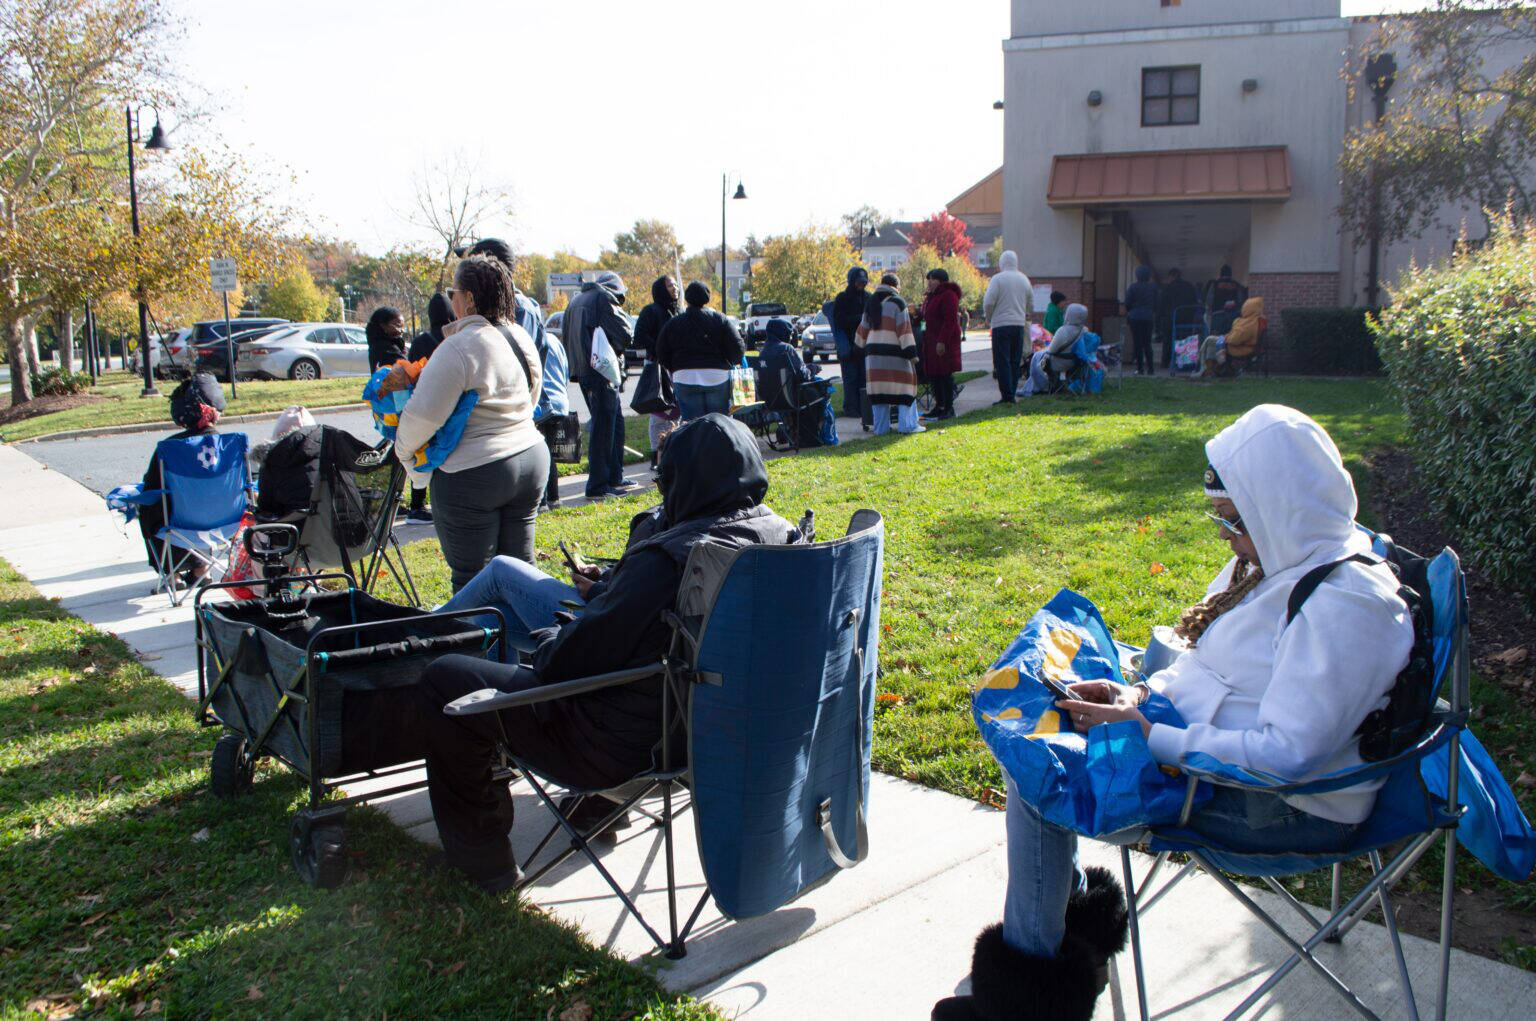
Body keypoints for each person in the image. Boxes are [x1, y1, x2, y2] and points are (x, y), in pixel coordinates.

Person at [932, 404, 1414, 1021]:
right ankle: (1059, 941)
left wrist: (1148, 734)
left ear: (1277, 507)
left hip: (1274, 806)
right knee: (1035, 722)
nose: (1224, 535)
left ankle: (1030, 996)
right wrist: (1134, 697)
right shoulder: (1285, 552)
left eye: (1232, 521)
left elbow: (1287, 757)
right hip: (1194, 749)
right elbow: (1212, 665)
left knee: (1038, 774)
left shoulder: (1348, 605)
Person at [416, 413, 800, 891]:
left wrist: (552, 638)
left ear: (683, 480)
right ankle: (593, 805)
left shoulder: (671, 560)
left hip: (620, 747)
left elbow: (567, 662)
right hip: (718, 735)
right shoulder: (786, 540)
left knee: (444, 678)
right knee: (516, 622)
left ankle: (484, 867)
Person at [396, 255, 548, 592]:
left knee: (474, 582)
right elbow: (532, 394)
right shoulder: (519, 336)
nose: (450, 299)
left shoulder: (459, 347)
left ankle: (481, 645)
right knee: (522, 573)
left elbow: (423, 416)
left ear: (469, 299)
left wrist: (404, 453)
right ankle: (535, 643)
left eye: (454, 291)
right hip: (531, 458)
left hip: (475, 474)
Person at [461, 238, 571, 511]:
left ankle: (541, 501)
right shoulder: (500, 307)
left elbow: (516, 362)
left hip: (519, 401)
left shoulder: (518, 307)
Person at [138, 373, 225, 574]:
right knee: (199, 504)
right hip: (226, 520)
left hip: (181, 522)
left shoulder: (170, 448)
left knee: (155, 509)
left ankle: (172, 574)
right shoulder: (231, 444)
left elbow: (152, 487)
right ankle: (202, 569)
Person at [563, 271, 635, 500]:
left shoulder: (576, 300)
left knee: (613, 425)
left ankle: (613, 476)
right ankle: (598, 485)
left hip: (585, 371)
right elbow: (625, 333)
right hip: (601, 371)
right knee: (604, 430)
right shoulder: (603, 299)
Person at [396, 292, 455, 523]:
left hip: (422, 406)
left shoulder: (421, 341)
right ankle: (445, 504)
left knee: (422, 456)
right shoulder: (453, 338)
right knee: (447, 455)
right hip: (448, 405)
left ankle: (417, 506)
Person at [654, 281, 745, 422]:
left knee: (692, 426)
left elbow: (661, 351)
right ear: (707, 298)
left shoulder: (674, 323)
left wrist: (675, 367)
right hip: (717, 376)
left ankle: (695, 443)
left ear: (687, 299)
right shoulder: (720, 320)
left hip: (684, 377)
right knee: (720, 424)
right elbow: (738, 348)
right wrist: (730, 361)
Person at [857, 273, 923, 435]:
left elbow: (861, 332)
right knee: (906, 387)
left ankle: (881, 429)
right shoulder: (898, 303)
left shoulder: (871, 301)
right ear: (896, 287)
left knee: (879, 391)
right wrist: (912, 355)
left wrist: (858, 349)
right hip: (895, 352)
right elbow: (904, 331)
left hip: (873, 355)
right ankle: (907, 425)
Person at [757, 318, 833, 447]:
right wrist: (813, 368)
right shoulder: (787, 349)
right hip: (791, 398)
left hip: (770, 401)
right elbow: (803, 375)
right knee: (820, 391)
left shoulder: (762, 353)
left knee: (806, 393)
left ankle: (790, 431)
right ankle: (811, 435)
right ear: (783, 333)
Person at [633, 275, 683, 465]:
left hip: (676, 367)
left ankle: (674, 451)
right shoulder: (651, 311)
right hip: (658, 369)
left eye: (675, 285)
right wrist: (660, 347)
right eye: (670, 285)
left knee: (677, 411)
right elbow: (639, 336)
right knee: (660, 412)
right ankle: (657, 455)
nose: (675, 288)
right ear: (661, 289)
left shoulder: (678, 311)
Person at [982, 250, 1032, 404]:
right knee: (1015, 360)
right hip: (1018, 324)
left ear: (1002, 263)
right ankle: (1012, 392)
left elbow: (989, 302)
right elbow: (1030, 301)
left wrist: (989, 318)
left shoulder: (997, 279)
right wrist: (1025, 314)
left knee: (1002, 361)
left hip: (1001, 324)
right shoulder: (1024, 279)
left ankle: (1007, 396)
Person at [917, 267, 963, 421]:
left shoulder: (948, 295)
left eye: (933, 278)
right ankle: (939, 406)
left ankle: (948, 408)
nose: (929, 281)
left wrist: (942, 341)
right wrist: (920, 323)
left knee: (945, 375)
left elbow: (950, 321)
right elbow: (925, 319)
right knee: (934, 376)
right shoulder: (930, 297)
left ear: (941, 281)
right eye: (928, 278)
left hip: (944, 343)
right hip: (930, 342)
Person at [830, 267, 870, 418]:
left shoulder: (868, 297)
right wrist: (860, 319)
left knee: (863, 379)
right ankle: (851, 408)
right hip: (848, 345)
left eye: (864, 282)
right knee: (850, 378)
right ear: (852, 281)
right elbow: (839, 320)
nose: (861, 285)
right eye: (859, 282)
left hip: (864, 345)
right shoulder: (842, 298)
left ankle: (863, 408)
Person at [1198, 296, 1265, 379]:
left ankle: (1207, 369)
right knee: (1211, 340)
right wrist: (1225, 337)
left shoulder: (1249, 323)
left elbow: (1235, 339)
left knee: (1211, 341)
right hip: (1239, 344)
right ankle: (1210, 369)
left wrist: (1225, 338)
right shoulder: (1253, 320)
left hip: (1240, 348)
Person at [1156, 267, 1200, 370]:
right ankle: (1185, 363)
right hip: (1187, 319)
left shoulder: (1168, 288)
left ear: (1172, 276)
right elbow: (1195, 302)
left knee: (1168, 339)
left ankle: (1165, 362)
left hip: (1172, 319)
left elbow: (1162, 305)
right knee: (1185, 338)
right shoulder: (1190, 286)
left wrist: (1160, 318)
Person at [1122, 265, 1159, 376]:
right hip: (1148, 317)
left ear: (1137, 275)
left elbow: (1127, 303)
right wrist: (1152, 311)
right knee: (1147, 343)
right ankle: (1151, 369)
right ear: (1148, 276)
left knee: (1137, 344)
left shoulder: (1133, 287)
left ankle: (1140, 369)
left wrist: (1131, 310)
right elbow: (1157, 302)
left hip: (1135, 317)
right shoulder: (1153, 287)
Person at [1044, 302, 1089, 385]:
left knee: (1037, 358)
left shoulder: (1062, 331)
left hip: (1058, 363)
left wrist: (1045, 347)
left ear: (1069, 315)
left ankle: (1040, 386)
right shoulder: (1084, 330)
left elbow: (1051, 351)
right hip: (1076, 365)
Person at [1206, 264, 1246, 334]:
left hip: (1217, 315)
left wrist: (1210, 310)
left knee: (1216, 337)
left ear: (1221, 273)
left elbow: (1209, 300)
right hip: (1233, 316)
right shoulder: (1236, 285)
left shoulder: (1214, 284)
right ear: (1230, 274)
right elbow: (1241, 300)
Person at [365, 306, 407, 371]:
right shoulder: (385, 348)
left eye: (402, 326)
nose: (402, 330)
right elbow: (407, 371)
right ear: (383, 326)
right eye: (398, 326)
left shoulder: (380, 344)